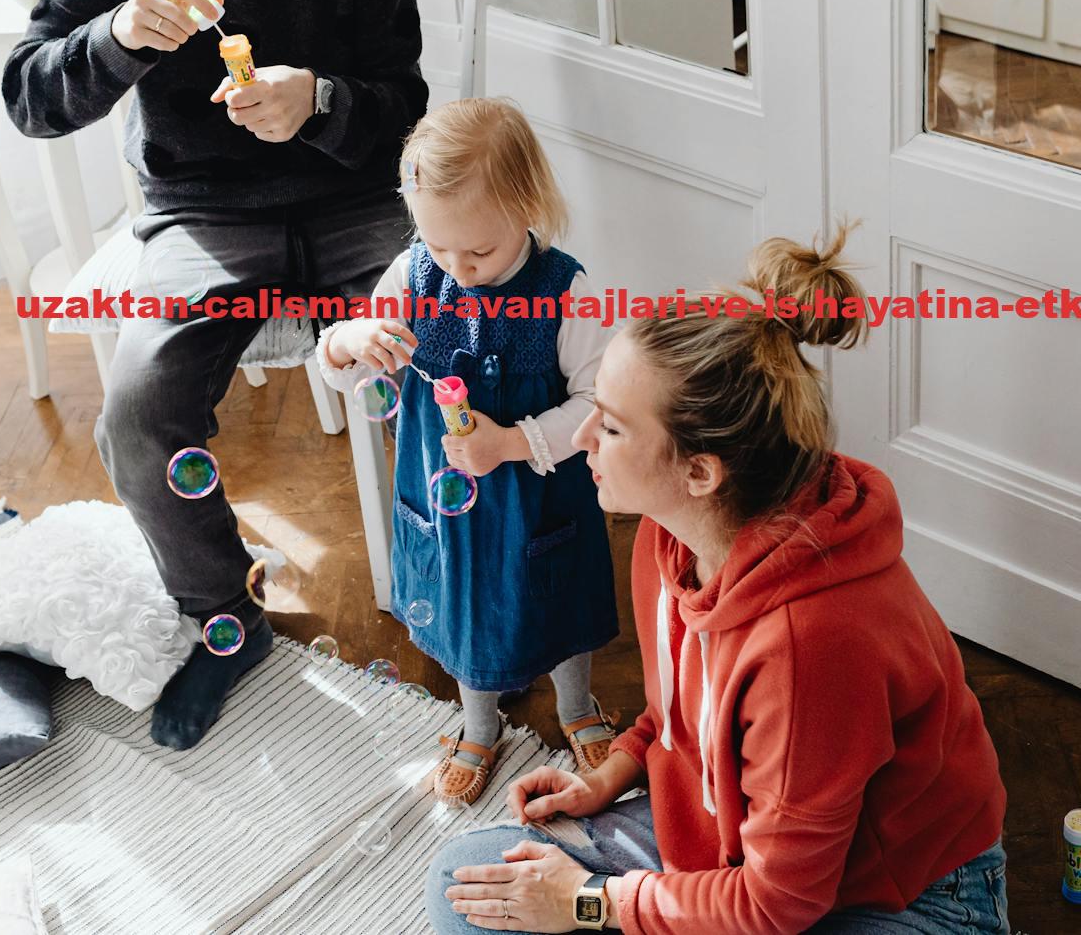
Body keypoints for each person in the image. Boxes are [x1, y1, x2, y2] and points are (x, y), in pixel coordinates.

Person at [1, 0, 427, 749]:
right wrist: (111, 38)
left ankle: (461, 588)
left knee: (462, 353)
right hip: (200, 214)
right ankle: (224, 618)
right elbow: (28, 97)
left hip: (355, 199)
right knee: (139, 410)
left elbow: (405, 102)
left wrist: (318, 100)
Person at [425, 228, 1009, 933]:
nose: (582, 439)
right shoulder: (668, 536)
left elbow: (777, 903)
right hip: (730, 843)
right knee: (464, 880)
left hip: (899, 895)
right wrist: (612, 773)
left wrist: (587, 902)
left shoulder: (811, 646)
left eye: (609, 427)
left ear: (700, 472)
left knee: (548, 903)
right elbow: (678, 717)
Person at [316, 98, 620, 806]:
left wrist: (511, 442)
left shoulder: (564, 293)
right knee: (464, 603)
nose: (458, 267)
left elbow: (598, 404)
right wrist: (351, 340)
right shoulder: (416, 274)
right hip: (445, 497)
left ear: (527, 208)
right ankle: (478, 723)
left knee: (561, 597)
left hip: (544, 490)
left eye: (477, 252)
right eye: (439, 246)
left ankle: (576, 703)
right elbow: (339, 368)